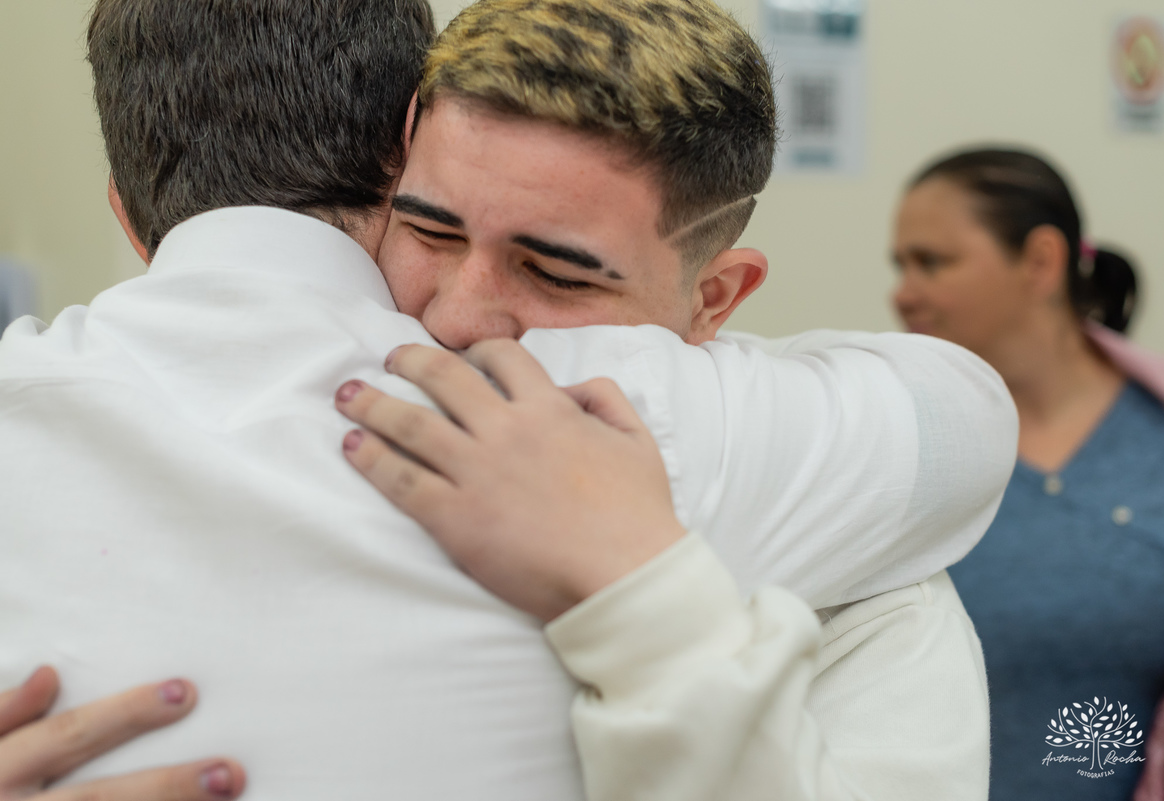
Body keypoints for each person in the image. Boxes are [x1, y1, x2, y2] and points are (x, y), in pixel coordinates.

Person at [0, 1, 1012, 799]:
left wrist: (636, 575)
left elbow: (965, 418)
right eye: (429, 232)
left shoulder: (838, 543)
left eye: (558, 274)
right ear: (389, 170)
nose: (456, 322)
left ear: (716, 298)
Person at [890, 146, 1164, 801]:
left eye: (932, 262)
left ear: (1041, 261)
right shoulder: (899, 448)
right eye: (900, 264)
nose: (903, 292)